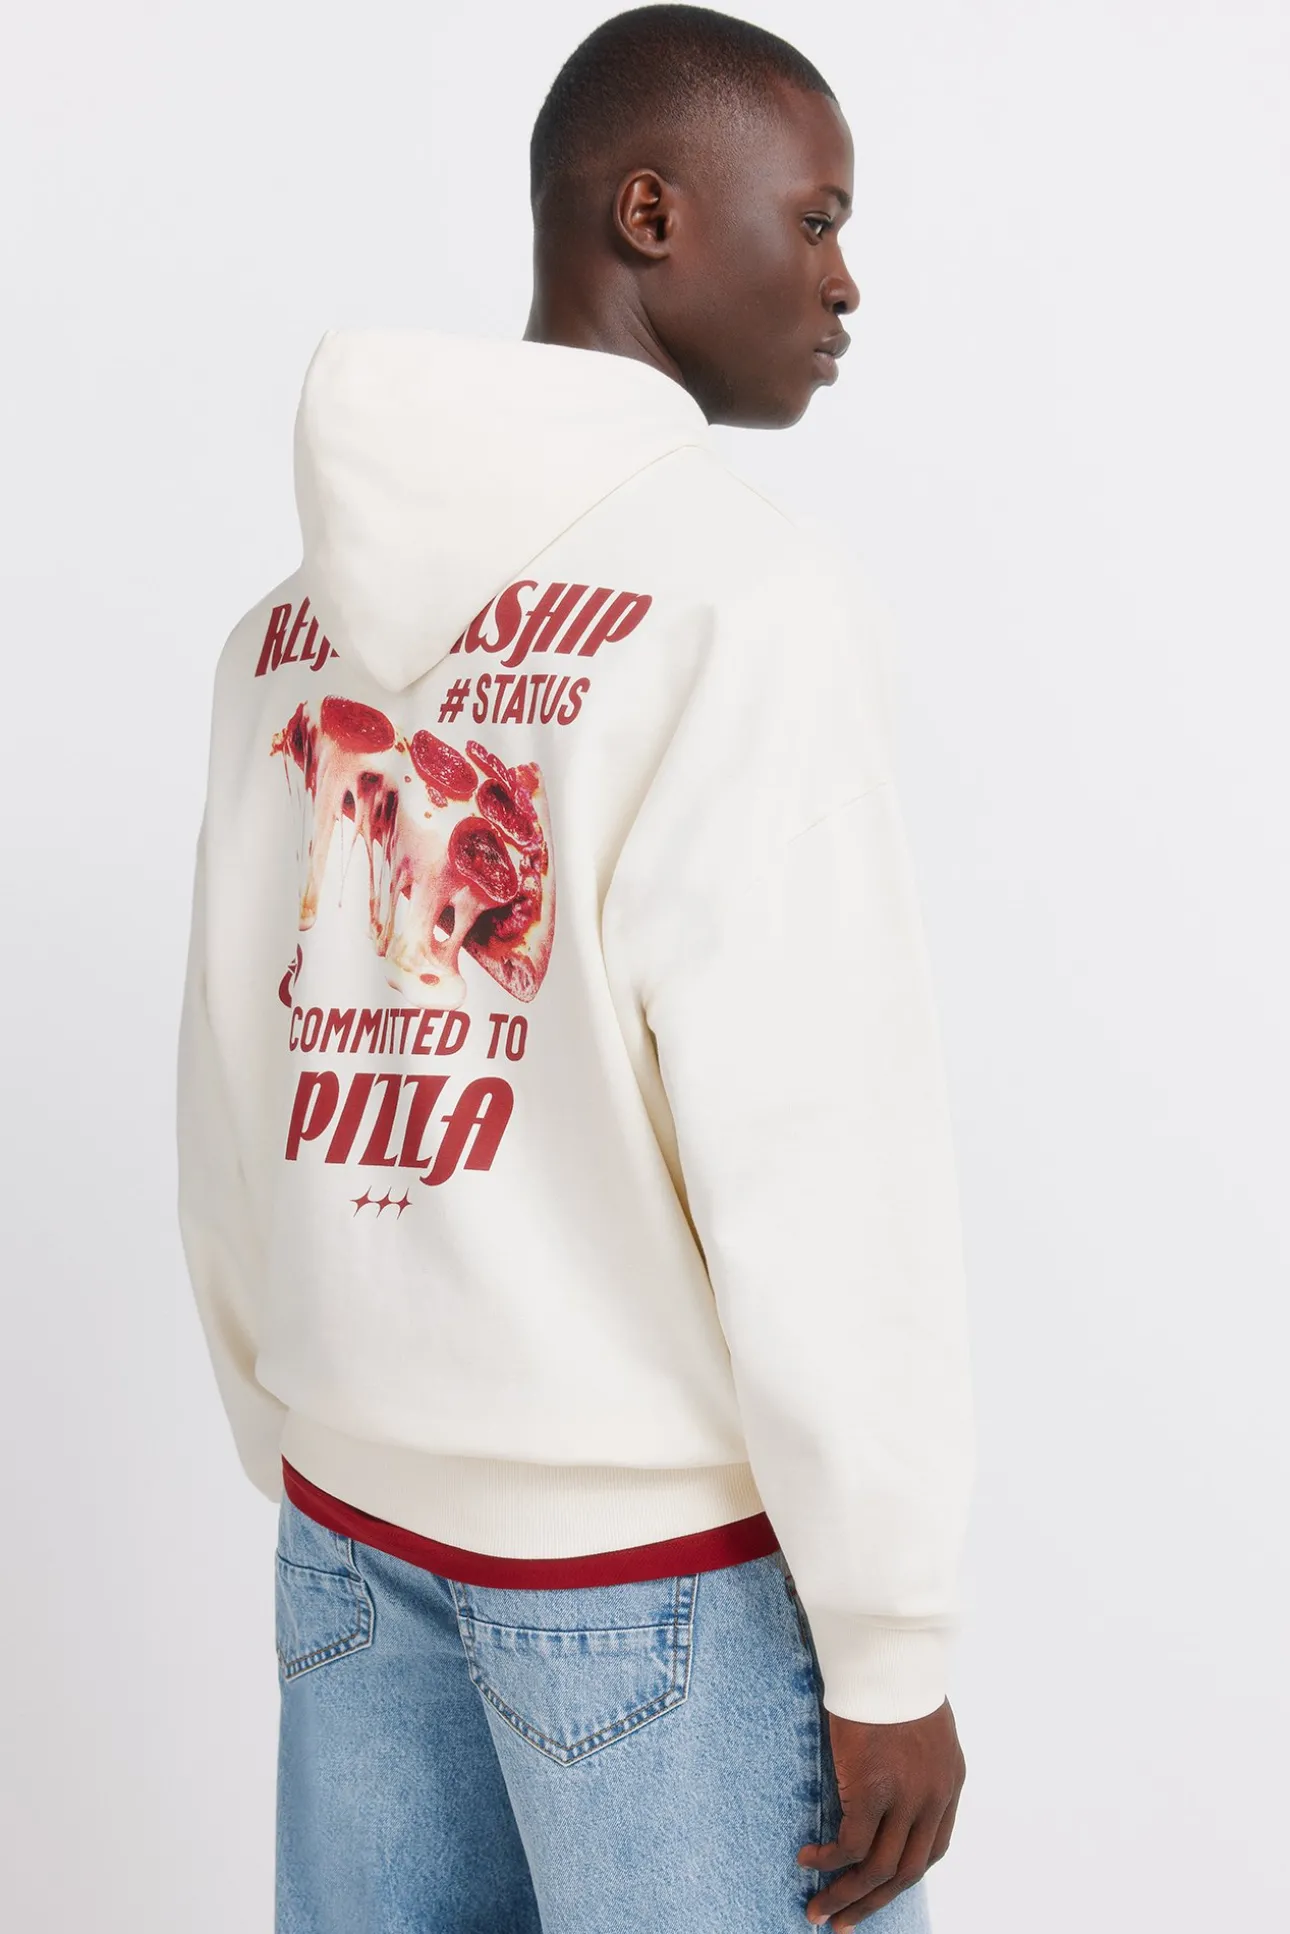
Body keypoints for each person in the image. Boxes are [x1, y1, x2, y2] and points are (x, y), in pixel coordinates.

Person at [176, 6, 975, 1930]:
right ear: (650, 214)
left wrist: (303, 1428)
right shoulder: (736, 598)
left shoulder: (284, 634)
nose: (845, 281)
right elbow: (811, 1143)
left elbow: (230, 1080)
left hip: (349, 1535)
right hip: (648, 1578)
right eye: (816, 217)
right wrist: (885, 1635)